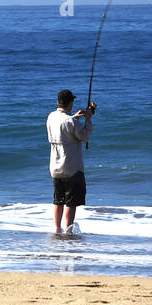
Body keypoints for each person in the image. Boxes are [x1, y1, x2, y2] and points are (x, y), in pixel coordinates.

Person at [47, 89, 94, 234]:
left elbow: (64, 126)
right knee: (71, 203)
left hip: (55, 167)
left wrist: (75, 117)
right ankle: (68, 232)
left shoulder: (51, 117)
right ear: (71, 103)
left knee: (58, 201)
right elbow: (84, 136)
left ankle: (57, 229)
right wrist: (88, 119)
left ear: (58, 102)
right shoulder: (71, 122)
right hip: (71, 168)